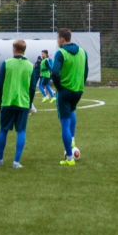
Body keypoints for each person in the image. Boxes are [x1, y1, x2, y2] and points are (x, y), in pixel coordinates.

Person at [0, 39, 39, 168]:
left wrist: (0, 101)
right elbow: (32, 88)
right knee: (21, 131)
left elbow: (0, 84)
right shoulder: (30, 66)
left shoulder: (6, 63)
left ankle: (0, 159)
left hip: (8, 102)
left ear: (14, 49)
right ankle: (16, 161)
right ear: (24, 50)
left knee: (3, 130)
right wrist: (30, 103)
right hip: (23, 103)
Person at [50, 28, 88, 165]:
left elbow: (54, 72)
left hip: (65, 91)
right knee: (72, 110)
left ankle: (70, 158)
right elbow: (86, 71)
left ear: (61, 39)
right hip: (78, 90)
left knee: (64, 123)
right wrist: (80, 85)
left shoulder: (61, 53)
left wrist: (59, 87)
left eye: (57, 39)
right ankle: (72, 141)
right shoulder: (83, 52)